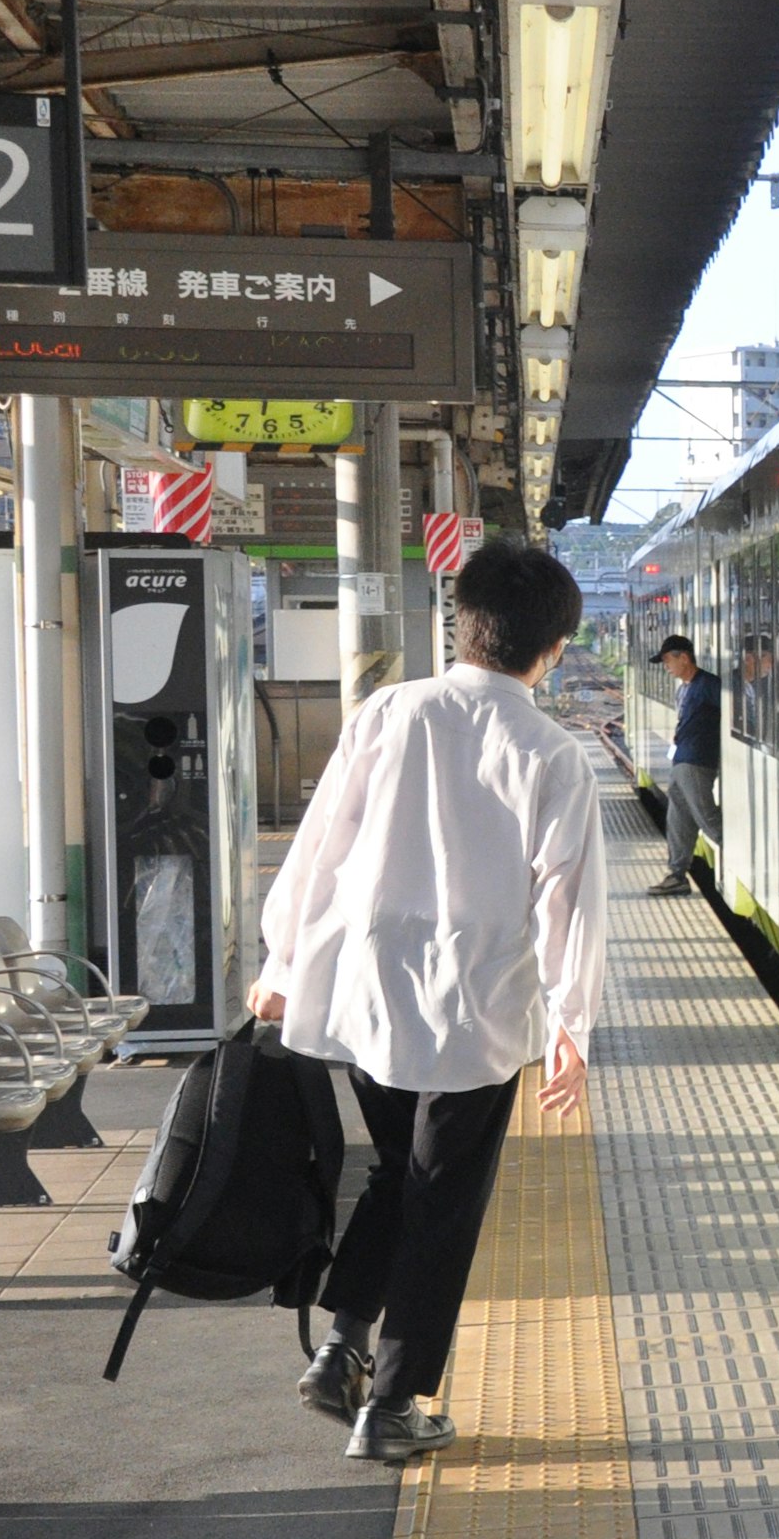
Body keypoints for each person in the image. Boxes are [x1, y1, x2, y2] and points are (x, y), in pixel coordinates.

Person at [247, 538, 603, 1465]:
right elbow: (569, 897)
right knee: (442, 1195)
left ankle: (341, 1351)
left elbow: (323, 838)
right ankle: (398, 1403)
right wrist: (573, 1023)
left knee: (400, 1174)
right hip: (476, 1007)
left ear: (463, 625)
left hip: (367, 987)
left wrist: (283, 958)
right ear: (554, 645)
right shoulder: (551, 752)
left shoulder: (388, 712)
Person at [649, 632, 719, 894]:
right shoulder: (684, 689)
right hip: (681, 759)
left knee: (706, 816)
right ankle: (677, 875)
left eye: (668, 661)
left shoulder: (709, 685)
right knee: (678, 818)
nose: (666, 668)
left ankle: (748, 855)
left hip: (698, 760)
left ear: (684, 657)